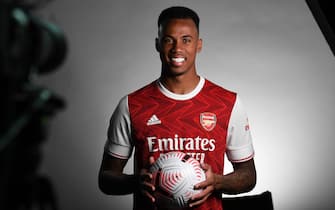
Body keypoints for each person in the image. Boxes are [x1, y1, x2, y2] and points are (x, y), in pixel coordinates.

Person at [99, 6, 256, 210]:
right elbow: (106, 178)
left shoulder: (228, 103)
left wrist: (217, 181)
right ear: (157, 44)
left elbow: (248, 176)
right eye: (168, 40)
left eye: (186, 40)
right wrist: (135, 182)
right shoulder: (132, 105)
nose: (177, 49)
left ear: (198, 45)